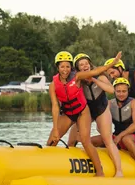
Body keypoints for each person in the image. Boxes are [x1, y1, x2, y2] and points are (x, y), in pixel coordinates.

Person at [47, 50, 123, 178]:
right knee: (53, 139)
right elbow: (55, 107)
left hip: (83, 112)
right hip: (69, 113)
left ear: (71, 68)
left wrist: (113, 63)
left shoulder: (78, 77)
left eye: (67, 66)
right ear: (57, 67)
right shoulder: (53, 85)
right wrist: (55, 129)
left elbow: (97, 71)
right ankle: (48, 166)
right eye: (62, 66)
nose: (65, 69)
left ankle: (101, 171)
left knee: (86, 141)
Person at [92, 77, 135, 178]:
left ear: (128, 91)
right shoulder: (109, 103)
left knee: (126, 139)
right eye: (118, 91)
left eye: (124, 91)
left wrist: (120, 136)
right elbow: (101, 122)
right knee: (92, 140)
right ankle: (97, 167)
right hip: (115, 137)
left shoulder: (134, 103)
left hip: (133, 137)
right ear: (114, 91)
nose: (121, 94)